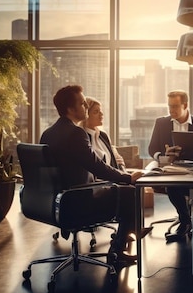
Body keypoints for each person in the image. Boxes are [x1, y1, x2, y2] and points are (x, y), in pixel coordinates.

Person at [40, 85, 145, 268]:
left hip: (55, 201)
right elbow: (97, 166)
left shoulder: (48, 134)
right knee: (130, 192)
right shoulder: (75, 133)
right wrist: (128, 178)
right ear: (71, 109)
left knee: (123, 190)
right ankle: (117, 250)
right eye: (82, 104)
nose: (85, 107)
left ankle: (131, 232)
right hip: (77, 201)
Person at [148, 90, 193, 241]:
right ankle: (185, 220)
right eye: (169, 106)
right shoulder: (161, 123)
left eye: (175, 106)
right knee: (172, 185)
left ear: (185, 105)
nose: (171, 110)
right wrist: (164, 156)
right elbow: (151, 149)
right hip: (172, 169)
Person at [80, 96, 126, 170]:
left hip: (113, 179)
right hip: (97, 181)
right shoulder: (82, 136)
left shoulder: (103, 135)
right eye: (96, 112)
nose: (101, 114)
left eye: (100, 110)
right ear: (86, 114)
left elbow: (115, 164)